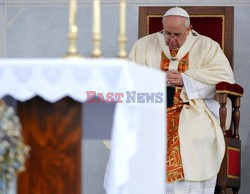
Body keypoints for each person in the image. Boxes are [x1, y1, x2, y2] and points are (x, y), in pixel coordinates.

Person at [128, 6, 235, 194]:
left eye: (176, 34)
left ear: (189, 29)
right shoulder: (144, 45)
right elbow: (129, 77)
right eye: (166, 33)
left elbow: (225, 77)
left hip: (192, 106)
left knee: (195, 135)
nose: (171, 40)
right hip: (153, 106)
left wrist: (186, 79)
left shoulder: (207, 46)